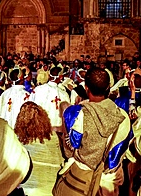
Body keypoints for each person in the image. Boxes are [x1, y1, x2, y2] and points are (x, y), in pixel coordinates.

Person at [53, 68, 127, 196]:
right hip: (110, 179)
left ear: (86, 88)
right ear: (108, 87)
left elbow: (69, 151)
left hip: (82, 177)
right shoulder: (123, 116)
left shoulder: (78, 115)